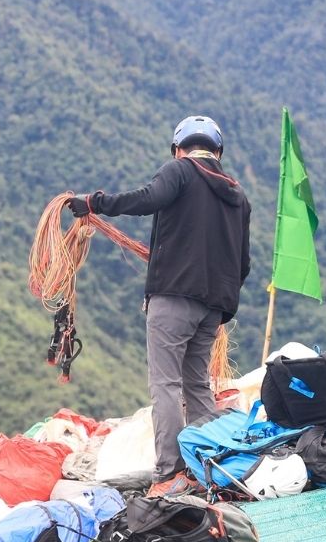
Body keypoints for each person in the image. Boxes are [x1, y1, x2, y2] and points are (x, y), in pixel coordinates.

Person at [68, 115, 251, 497]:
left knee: (166, 385)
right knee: (197, 384)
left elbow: (147, 199)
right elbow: (243, 263)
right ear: (217, 151)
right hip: (213, 308)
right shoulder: (238, 197)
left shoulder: (180, 171)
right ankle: (207, 464)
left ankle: (170, 472)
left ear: (178, 148)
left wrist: (93, 203)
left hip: (173, 299)